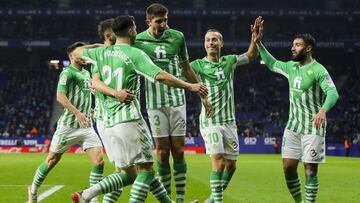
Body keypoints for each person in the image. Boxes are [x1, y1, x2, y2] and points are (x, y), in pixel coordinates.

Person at [71, 15, 208, 203]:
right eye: (134, 28)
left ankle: (86, 194)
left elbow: (77, 53)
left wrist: (100, 47)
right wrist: (189, 86)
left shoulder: (100, 54)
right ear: (130, 31)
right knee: (145, 170)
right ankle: (89, 195)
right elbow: (159, 75)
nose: (136, 31)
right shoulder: (134, 53)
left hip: (105, 124)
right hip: (128, 120)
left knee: (128, 174)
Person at [254, 18, 339, 203]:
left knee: (309, 169)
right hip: (293, 126)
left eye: (297, 45)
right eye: (293, 44)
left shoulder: (318, 70)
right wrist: (259, 43)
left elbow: (333, 93)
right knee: (288, 167)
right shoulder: (291, 67)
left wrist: (323, 110)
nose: (293, 48)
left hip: (313, 127)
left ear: (308, 48)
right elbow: (271, 63)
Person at [134, 4, 211, 202]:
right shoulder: (138, 40)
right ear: (148, 21)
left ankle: (181, 200)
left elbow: (186, 68)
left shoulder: (177, 37)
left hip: (177, 100)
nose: (164, 24)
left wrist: (201, 93)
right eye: (159, 21)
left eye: (166, 19)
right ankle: (166, 199)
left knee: (178, 150)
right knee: (162, 152)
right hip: (154, 102)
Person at [189, 17, 261, 203]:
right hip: (210, 121)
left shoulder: (230, 61)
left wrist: (254, 38)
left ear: (221, 42)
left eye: (214, 39)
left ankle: (211, 200)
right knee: (219, 163)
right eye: (207, 40)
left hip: (229, 122)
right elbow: (180, 72)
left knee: (231, 166)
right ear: (204, 45)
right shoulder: (197, 65)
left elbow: (251, 55)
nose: (211, 43)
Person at [28, 42, 104, 203]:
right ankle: (33, 189)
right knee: (51, 161)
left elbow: (85, 96)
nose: (85, 55)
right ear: (71, 56)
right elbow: (60, 97)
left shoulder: (86, 73)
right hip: (68, 127)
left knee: (99, 161)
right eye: (81, 52)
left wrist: (90, 110)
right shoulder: (67, 73)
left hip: (86, 127)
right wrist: (77, 112)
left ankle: (93, 198)